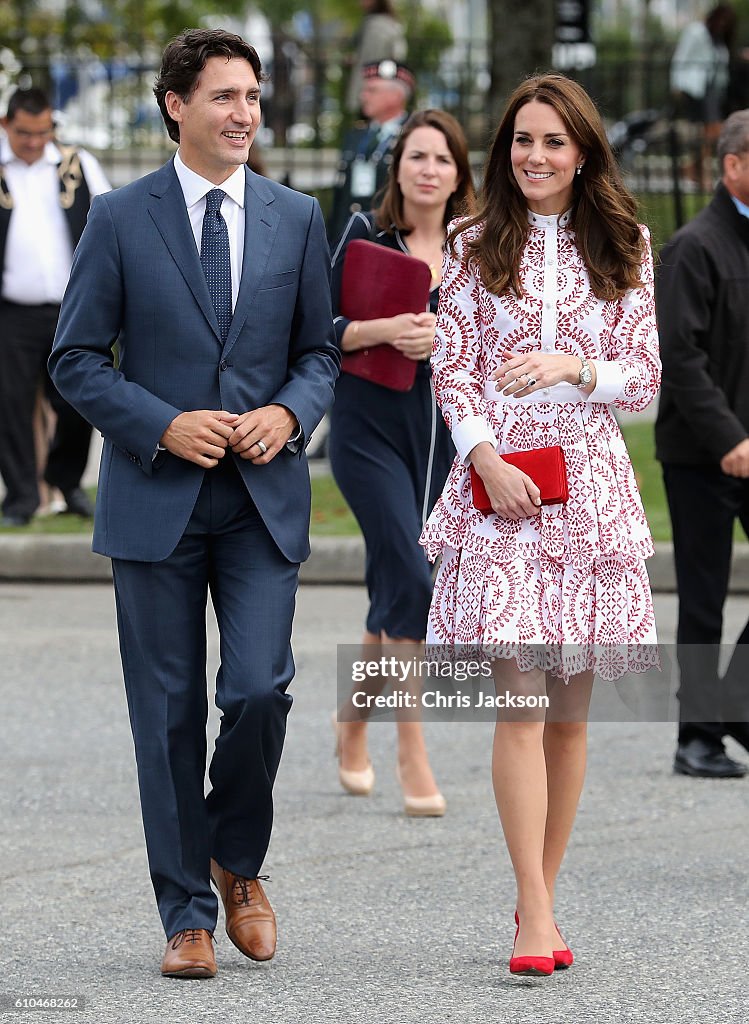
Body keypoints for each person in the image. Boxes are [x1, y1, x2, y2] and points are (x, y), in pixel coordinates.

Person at [49, 28, 339, 979]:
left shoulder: (297, 217)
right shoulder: (120, 218)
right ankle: (186, 917)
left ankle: (236, 861)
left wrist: (288, 414)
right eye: (223, 97)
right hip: (154, 498)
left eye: (252, 97)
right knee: (166, 713)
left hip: (261, 499)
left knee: (258, 688)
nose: (243, 114)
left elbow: (319, 354)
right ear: (176, 105)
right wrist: (162, 424)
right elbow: (75, 360)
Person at [419, 73, 661, 974]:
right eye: (521, 140)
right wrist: (485, 459)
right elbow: (455, 370)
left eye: (552, 142)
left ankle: (542, 900)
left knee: (567, 714)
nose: (534, 156)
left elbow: (643, 380)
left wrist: (573, 363)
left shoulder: (626, 242)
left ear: (583, 151)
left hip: (590, 488)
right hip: (501, 490)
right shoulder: (474, 240)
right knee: (518, 703)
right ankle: (531, 912)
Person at [330, 110, 475, 817]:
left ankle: (349, 727)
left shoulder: (478, 252)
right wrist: (385, 330)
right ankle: (410, 751)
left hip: (443, 438)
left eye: (441, 159)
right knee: (411, 577)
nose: (427, 169)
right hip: (365, 430)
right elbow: (314, 330)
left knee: (394, 586)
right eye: (415, 156)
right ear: (398, 168)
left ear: (458, 174)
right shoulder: (365, 237)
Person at [655, 109, 749, 779]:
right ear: (732, 165)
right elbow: (679, 358)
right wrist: (727, 438)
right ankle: (697, 736)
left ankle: (735, 703)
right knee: (703, 594)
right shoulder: (695, 246)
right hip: (700, 454)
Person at [0, 86, 110, 526]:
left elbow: (110, 219)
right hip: (11, 312)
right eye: (24, 132)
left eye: (42, 132)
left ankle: (66, 481)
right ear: (6, 125)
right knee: (9, 403)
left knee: (77, 401)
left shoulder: (77, 166)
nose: (33, 142)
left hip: (72, 310)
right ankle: (22, 496)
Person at [328, 59, 414, 244]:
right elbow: (340, 199)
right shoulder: (356, 135)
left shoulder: (412, 137)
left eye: (372, 90)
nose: (364, 96)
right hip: (348, 237)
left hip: (387, 241)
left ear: (396, 96)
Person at [671, 4, 736, 183]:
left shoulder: (719, 40)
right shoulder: (697, 31)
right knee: (713, 129)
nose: (723, 24)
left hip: (711, 91)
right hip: (694, 88)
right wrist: (676, 84)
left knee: (713, 131)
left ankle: (692, 168)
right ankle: (699, 172)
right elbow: (681, 57)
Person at [345, 0, 407, 115]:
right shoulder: (389, 23)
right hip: (383, 88)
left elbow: (372, 60)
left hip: (376, 90)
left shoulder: (376, 27)